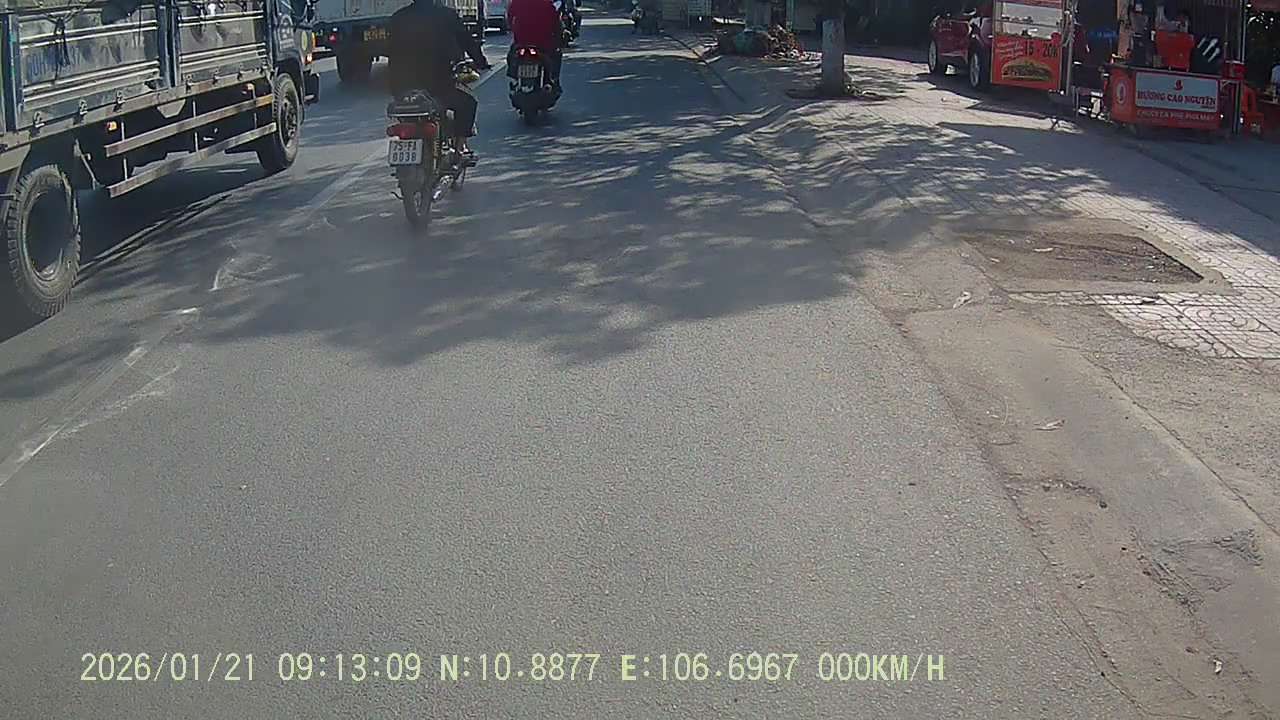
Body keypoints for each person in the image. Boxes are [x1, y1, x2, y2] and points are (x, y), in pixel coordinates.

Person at [388, 0, 492, 164]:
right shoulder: (447, 15)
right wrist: (481, 61)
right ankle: (460, 150)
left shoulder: (397, 18)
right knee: (469, 102)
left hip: (404, 88)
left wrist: (396, 87)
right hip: (440, 85)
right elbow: (467, 41)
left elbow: (391, 52)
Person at [507, 0, 563, 89]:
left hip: (522, 40)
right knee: (556, 54)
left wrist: (513, 28)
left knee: (512, 54)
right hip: (542, 41)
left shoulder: (518, 2)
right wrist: (558, 37)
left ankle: (515, 79)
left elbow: (510, 16)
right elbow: (555, 21)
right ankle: (551, 80)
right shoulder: (546, 3)